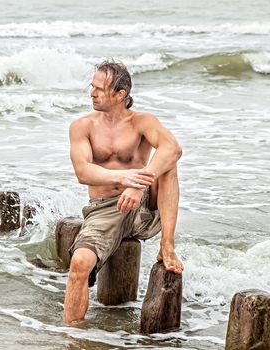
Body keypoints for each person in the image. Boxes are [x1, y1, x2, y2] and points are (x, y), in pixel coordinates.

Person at [64, 59, 184, 326]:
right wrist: (123, 177)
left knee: (168, 164)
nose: (91, 93)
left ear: (120, 95)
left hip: (142, 208)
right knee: (79, 264)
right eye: (91, 87)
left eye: (99, 89)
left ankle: (167, 245)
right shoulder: (82, 126)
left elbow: (173, 149)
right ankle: (72, 336)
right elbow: (83, 172)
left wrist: (137, 184)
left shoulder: (142, 122)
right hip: (104, 210)